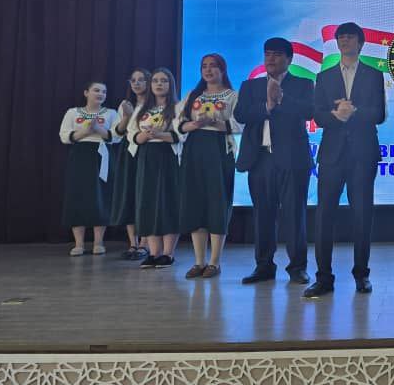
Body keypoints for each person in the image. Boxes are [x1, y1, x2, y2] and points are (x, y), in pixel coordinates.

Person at [304, 23, 386, 298]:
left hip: (363, 153)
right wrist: (335, 115)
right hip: (332, 154)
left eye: (350, 37)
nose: (345, 41)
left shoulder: (373, 75)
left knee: (362, 215)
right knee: (324, 216)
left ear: (360, 43)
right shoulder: (324, 77)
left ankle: (362, 275)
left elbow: (379, 113)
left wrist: (353, 111)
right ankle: (323, 277)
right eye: (341, 37)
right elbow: (317, 115)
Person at [234, 38, 315, 285]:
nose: (270, 59)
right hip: (260, 159)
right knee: (263, 215)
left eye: (277, 55)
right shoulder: (250, 86)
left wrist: (281, 99)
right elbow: (241, 114)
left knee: (294, 215)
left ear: (289, 59)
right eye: (267, 54)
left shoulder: (303, 84)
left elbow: (309, 111)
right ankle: (264, 266)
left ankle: (297, 267)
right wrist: (267, 106)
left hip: (293, 160)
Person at [177, 54, 241, 279]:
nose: (208, 70)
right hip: (194, 150)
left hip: (219, 151)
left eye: (213, 66)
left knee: (217, 203)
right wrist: (194, 124)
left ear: (222, 69)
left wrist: (213, 122)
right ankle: (198, 261)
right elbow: (178, 124)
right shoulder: (193, 95)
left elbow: (239, 124)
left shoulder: (232, 95)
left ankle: (214, 262)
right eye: (204, 66)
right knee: (196, 203)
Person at [59, 81, 119, 256]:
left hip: (102, 155)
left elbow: (117, 136)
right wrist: (86, 131)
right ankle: (79, 243)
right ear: (86, 93)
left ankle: (98, 242)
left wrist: (98, 129)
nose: (100, 94)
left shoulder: (111, 113)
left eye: (104, 91)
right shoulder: (73, 112)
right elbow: (64, 136)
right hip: (80, 156)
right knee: (77, 196)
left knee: (101, 196)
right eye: (96, 90)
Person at [130, 68, 182, 269]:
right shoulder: (142, 109)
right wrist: (143, 136)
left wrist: (159, 134)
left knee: (168, 202)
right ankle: (153, 253)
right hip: (147, 157)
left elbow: (181, 135)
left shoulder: (178, 108)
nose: (159, 84)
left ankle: (168, 253)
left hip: (168, 157)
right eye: (155, 81)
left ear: (171, 85)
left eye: (164, 81)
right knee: (148, 202)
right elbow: (131, 134)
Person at [110, 69, 151, 260]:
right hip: (128, 151)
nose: (136, 83)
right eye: (133, 80)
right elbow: (117, 132)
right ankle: (133, 243)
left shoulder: (155, 104)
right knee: (130, 193)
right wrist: (126, 117)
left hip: (148, 149)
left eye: (141, 80)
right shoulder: (126, 104)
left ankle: (145, 243)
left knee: (145, 194)